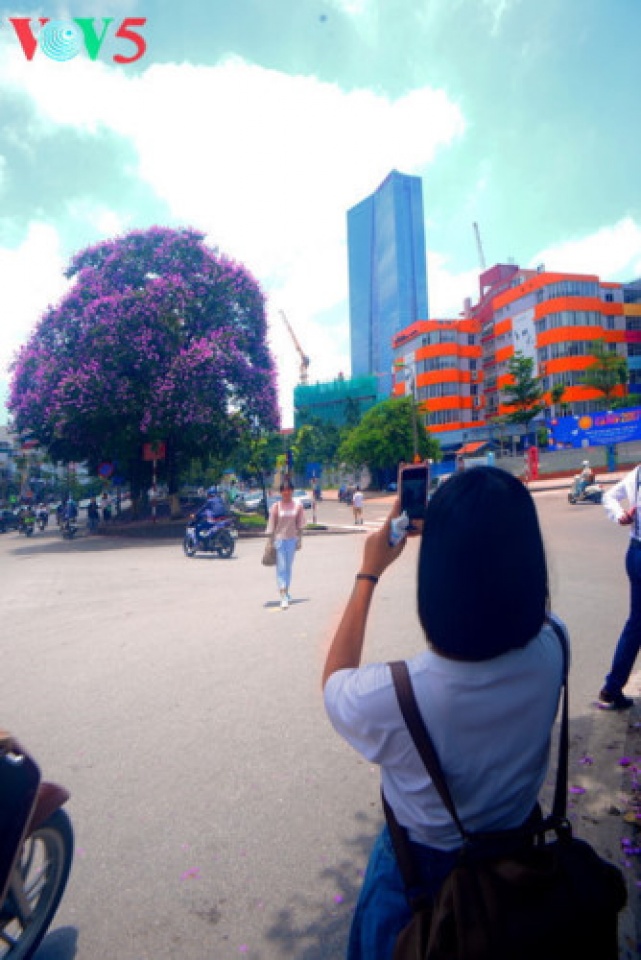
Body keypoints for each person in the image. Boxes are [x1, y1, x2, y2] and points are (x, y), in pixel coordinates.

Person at [322, 466, 566, 960]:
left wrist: (369, 572)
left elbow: (334, 681)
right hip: (520, 865)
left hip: (420, 881)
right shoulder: (555, 645)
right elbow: (519, 596)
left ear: (437, 577)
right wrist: (465, 541)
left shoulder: (394, 695)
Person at [599, 464, 641, 710]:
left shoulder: (637, 473)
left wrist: (620, 516)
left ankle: (613, 687)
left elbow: (608, 496)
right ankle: (613, 686)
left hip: (635, 553)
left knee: (636, 625)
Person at [265, 478, 305, 610]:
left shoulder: (297, 506)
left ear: (292, 491)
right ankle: (283, 596)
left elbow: (300, 524)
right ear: (281, 492)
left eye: (289, 490)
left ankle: (286, 591)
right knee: (281, 568)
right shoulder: (276, 507)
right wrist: (270, 541)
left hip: (292, 539)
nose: (286, 492)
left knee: (288, 567)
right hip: (279, 540)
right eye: (284, 490)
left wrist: (300, 540)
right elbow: (271, 525)